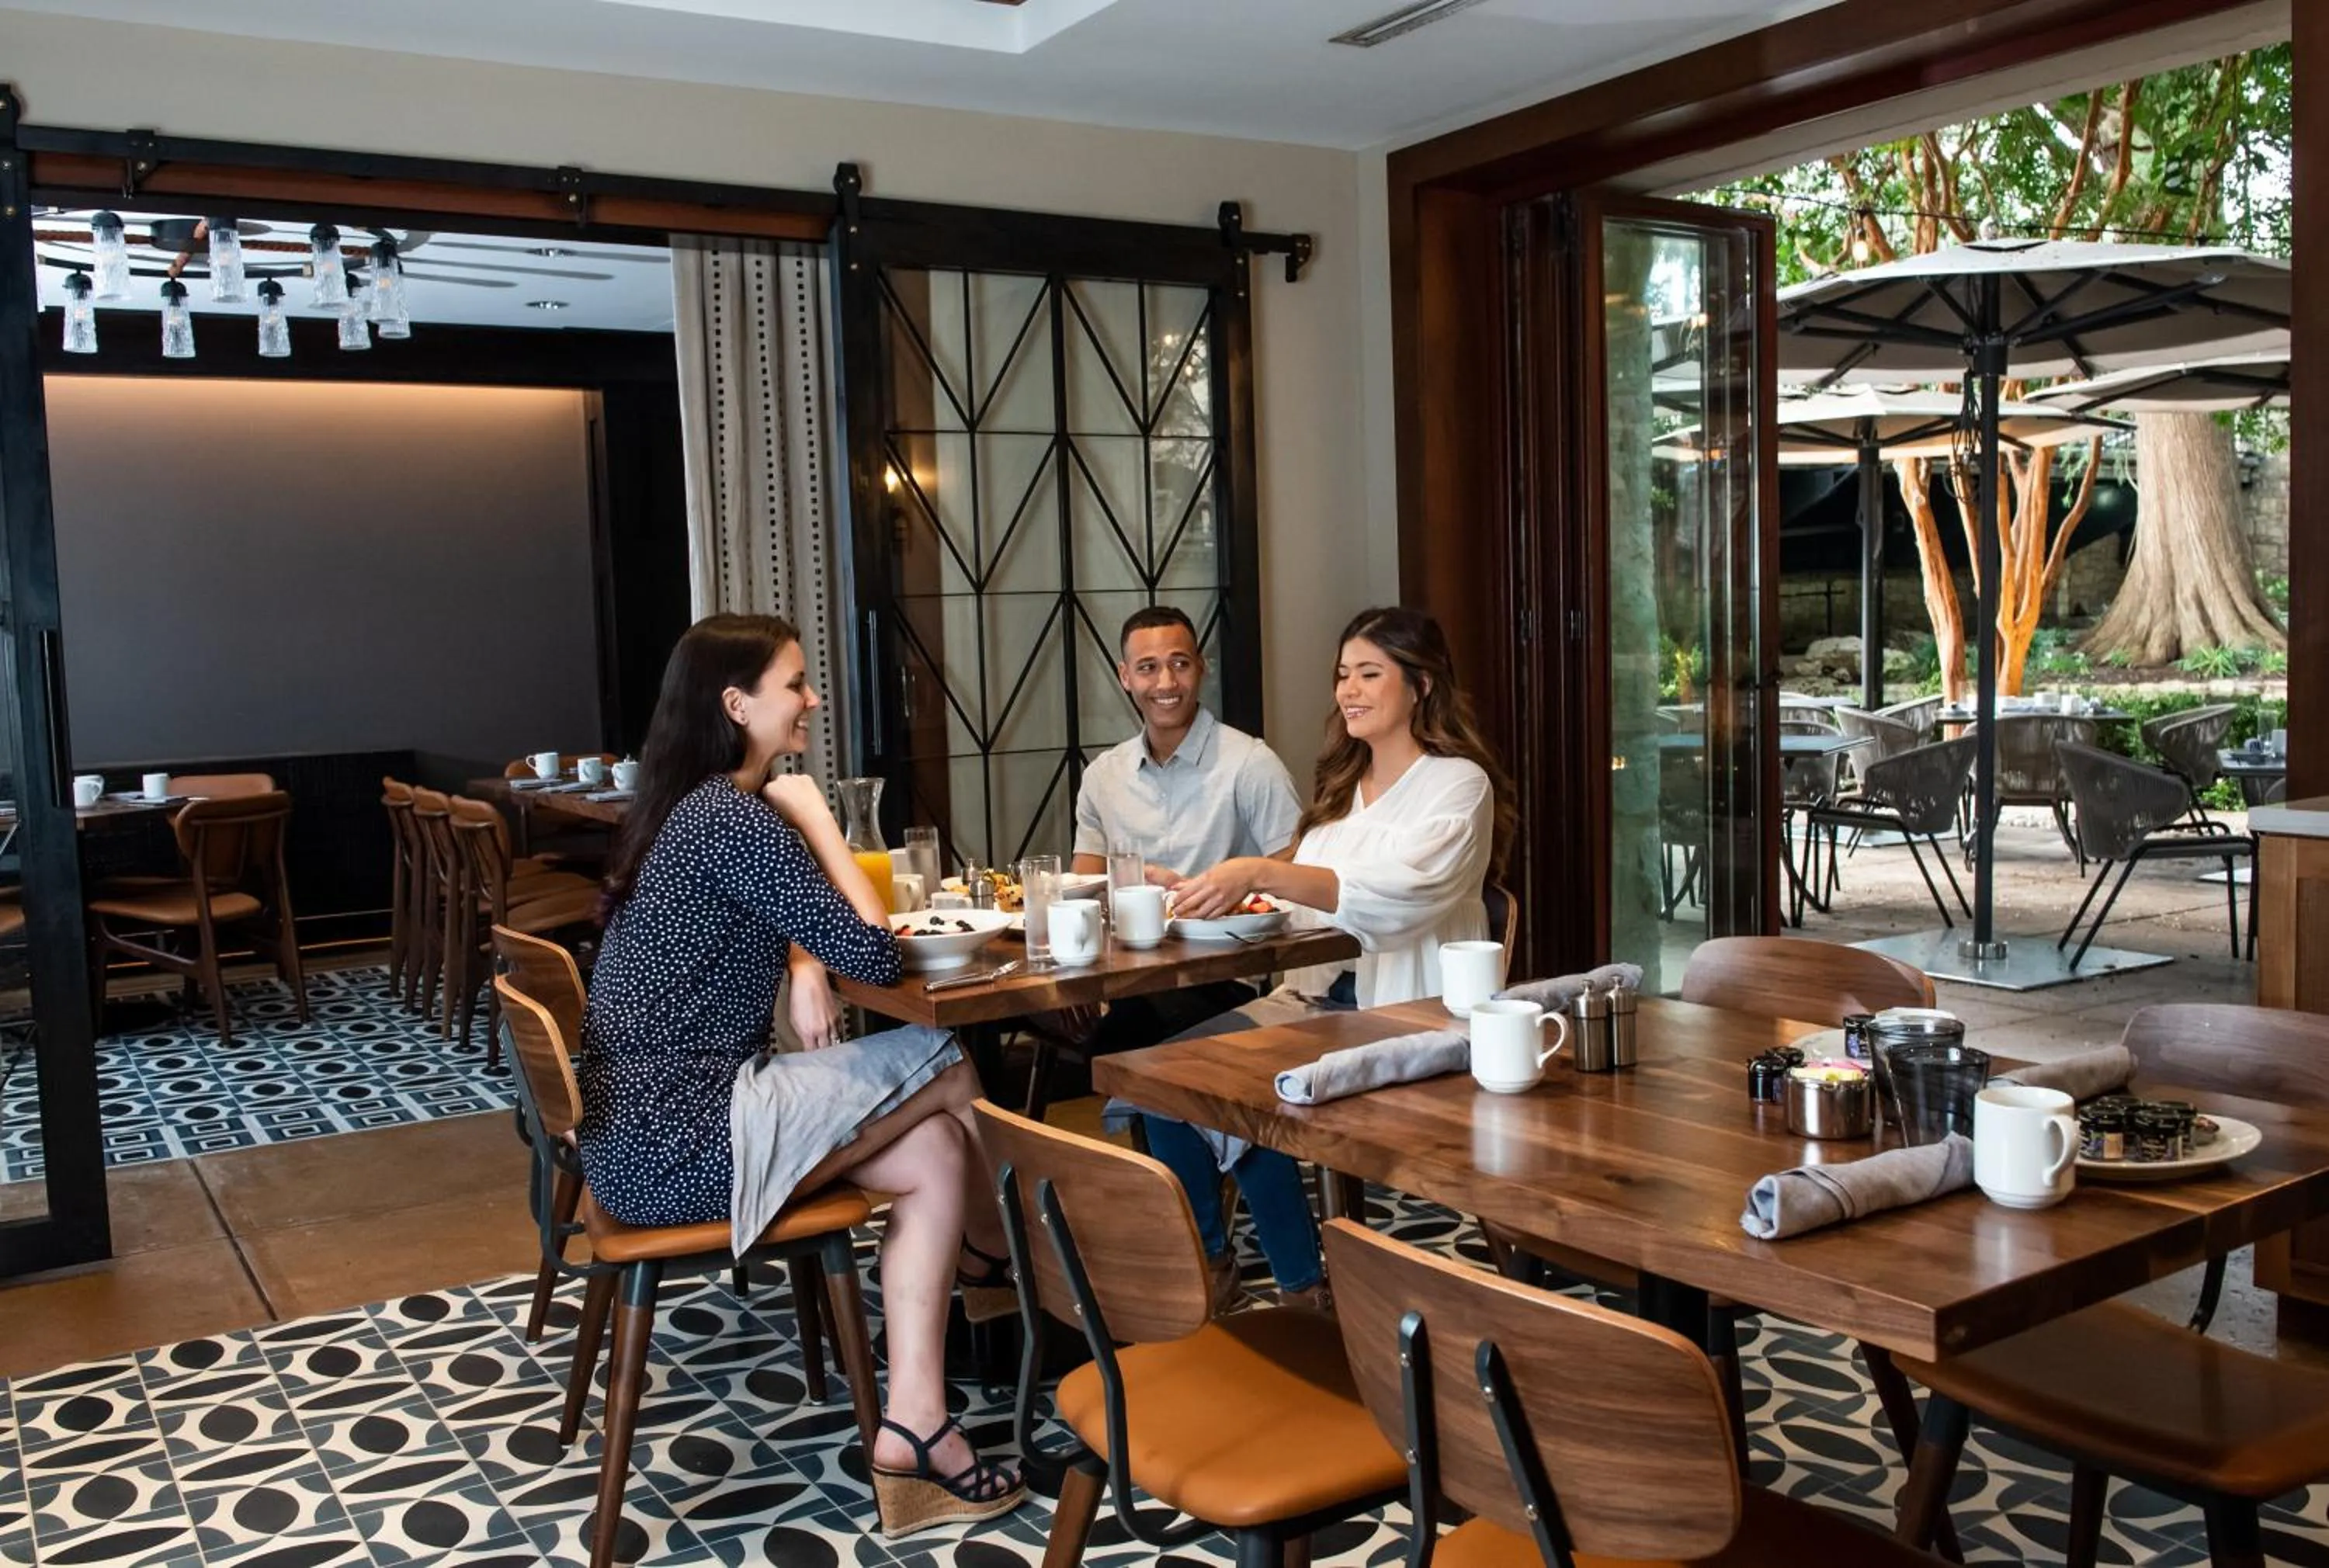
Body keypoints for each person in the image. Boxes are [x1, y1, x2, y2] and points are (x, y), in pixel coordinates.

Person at [580, 612, 1022, 1537]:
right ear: (738, 705)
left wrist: (802, 958)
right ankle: (1007, 1266)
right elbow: (876, 948)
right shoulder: (734, 817)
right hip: (688, 1141)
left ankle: (915, 1426)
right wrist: (820, 814)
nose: (812, 700)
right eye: (795, 685)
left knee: (938, 1146)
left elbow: (806, 935)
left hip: (638, 1141)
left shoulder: (688, 810)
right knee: (944, 1054)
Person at [1138, 605, 1515, 1312]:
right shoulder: (1343, 791)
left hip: (1407, 1012)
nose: (1350, 690)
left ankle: (1301, 1288)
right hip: (1314, 1001)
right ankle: (1214, 1277)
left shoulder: (1459, 785)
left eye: (1371, 674)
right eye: (1344, 675)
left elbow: (1396, 897)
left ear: (1422, 685)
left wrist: (1258, 874)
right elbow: (1307, 905)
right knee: (1164, 1082)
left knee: (1252, 1091)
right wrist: (1195, 893)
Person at [1056, 605, 1303, 1055]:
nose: (1166, 683)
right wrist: (1074, 976)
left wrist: (1233, 883)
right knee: (1036, 1010)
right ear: (1125, 676)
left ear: (1201, 669)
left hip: (1222, 972)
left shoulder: (1250, 763)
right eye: (1148, 668)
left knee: (1126, 1029)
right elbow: (1084, 887)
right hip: (1126, 972)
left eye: (1180, 664)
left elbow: (1299, 868)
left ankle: (1144, 1115)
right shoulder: (1104, 776)